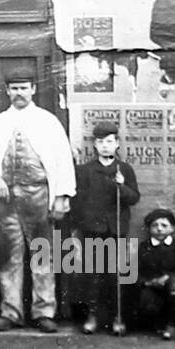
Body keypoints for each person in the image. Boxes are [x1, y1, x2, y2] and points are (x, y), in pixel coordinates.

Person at [0, 70, 76, 333]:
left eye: (24, 88)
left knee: (43, 256)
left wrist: (62, 197)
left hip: (39, 196)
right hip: (7, 200)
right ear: (7, 91)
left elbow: (64, 160)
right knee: (9, 257)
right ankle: (10, 312)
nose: (19, 93)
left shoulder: (48, 121)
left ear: (33, 90)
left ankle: (44, 312)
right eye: (14, 89)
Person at [70, 121, 139, 335]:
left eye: (109, 142)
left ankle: (117, 318)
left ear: (117, 143)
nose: (105, 146)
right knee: (93, 275)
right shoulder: (85, 171)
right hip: (93, 230)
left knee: (115, 276)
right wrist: (79, 227)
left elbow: (134, 197)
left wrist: (121, 186)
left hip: (116, 230)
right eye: (100, 142)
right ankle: (92, 317)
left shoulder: (124, 169)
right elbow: (78, 201)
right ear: (95, 145)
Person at [137, 208, 175, 340]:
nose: (159, 229)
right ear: (149, 228)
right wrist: (149, 282)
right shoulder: (144, 247)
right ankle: (158, 322)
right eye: (155, 225)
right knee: (148, 304)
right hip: (152, 287)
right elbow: (137, 270)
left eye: (164, 225)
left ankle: (173, 325)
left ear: (172, 228)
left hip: (173, 288)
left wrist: (168, 278)